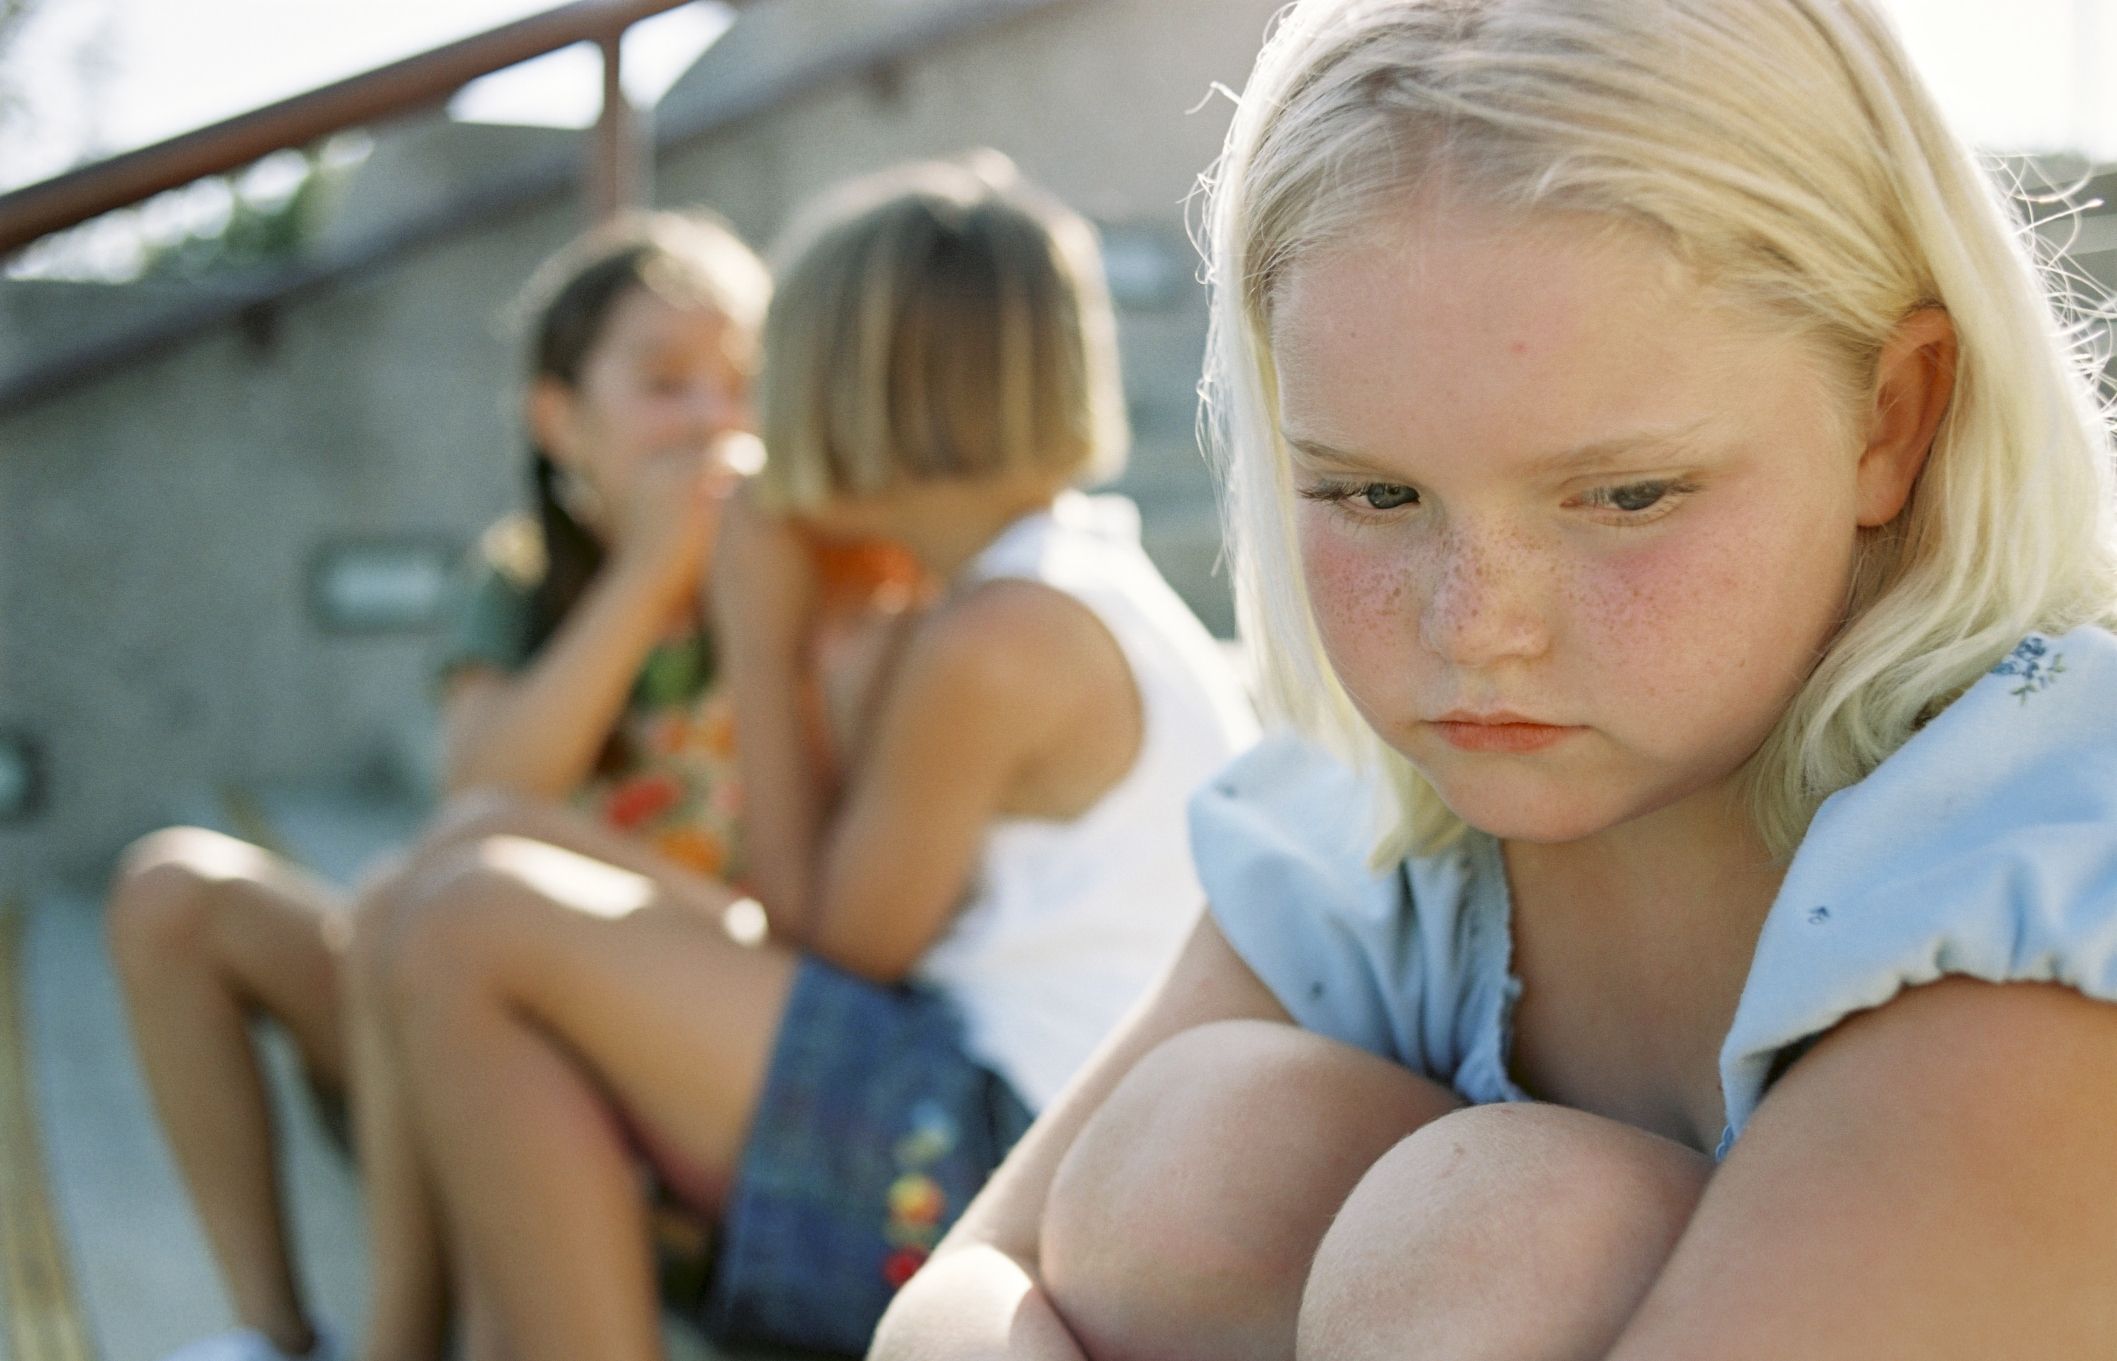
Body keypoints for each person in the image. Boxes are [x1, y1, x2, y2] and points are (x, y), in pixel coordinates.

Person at [869, 2, 2117, 1358]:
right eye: (1372, 491)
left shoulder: (2038, 877)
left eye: (1627, 494)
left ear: (1894, 414)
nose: (1476, 629)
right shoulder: (1385, 833)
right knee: (1194, 1158)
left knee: (1493, 1246)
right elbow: (962, 1290)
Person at [364, 154, 1259, 1361]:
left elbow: (822, 939)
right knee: (473, 850)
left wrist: (761, 634)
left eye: (771, 376)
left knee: (471, 919)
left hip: (1014, 1168)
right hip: (1004, 1120)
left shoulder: (1000, 637)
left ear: (852, 395)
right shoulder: (1032, 580)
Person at [104, 210, 781, 1361]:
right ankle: (268, 1330)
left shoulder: (785, 577)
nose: (712, 419)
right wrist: (642, 580)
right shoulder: (521, 580)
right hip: (476, 978)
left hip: (659, 1034)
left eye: (740, 385)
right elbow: (483, 786)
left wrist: (717, 574)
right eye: (668, 383)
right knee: (175, 890)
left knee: (425, 927)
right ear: (558, 420)